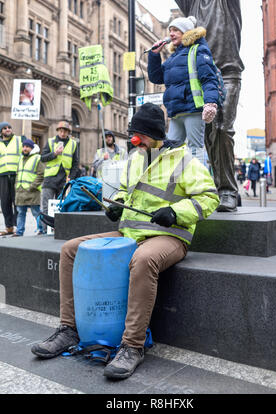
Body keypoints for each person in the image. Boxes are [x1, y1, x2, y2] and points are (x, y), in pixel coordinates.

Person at [31, 103, 220, 380]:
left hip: (169, 237)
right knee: (71, 250)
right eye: (132, 134)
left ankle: (133, 345)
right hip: (129, 233)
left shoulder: (184, 160)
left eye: (139, 134)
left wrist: (175, 212)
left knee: (143, 260)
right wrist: (117, 205)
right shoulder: (134, 158)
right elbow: (122, 191)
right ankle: (69, 329)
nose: (134, 140)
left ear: (155, 133)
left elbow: (209, 197)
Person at [161, 0, 244, 211]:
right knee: (206, 135)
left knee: (221, 128)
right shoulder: (192, 3)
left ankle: (228, 190)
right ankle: (212, 187)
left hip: (227, 73)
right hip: (201, 79)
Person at [147, 15, 219, 164]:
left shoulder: (198, 50)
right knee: (170, 152)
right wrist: (154, 55)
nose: (171, 34)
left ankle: (200, 186)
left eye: (176, 30)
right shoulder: (173, 58)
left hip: (193, 109)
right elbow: (156, 78)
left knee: (195, 150)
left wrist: (210, 103)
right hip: (176, 112)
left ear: (186, 32)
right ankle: (174, 185)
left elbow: (209, 79)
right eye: (170, 30)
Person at [40, 121, 79, 231]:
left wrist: (71, 176)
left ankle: (58, 229)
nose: (62, 133)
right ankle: (43, 229)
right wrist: (54, 154)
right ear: (58, 131)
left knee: (61, 205)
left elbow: (75, 163)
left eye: (65, 131)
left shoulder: (73, 144)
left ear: (68, 132)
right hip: (50, 178)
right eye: (61, 131)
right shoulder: (50, 141)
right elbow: (42, 158)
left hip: (64, 179)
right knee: (46, 205)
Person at [13, 139, 44, 237]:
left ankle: (41, 230)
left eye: (27, 147)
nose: (25, 148)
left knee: (36, 212)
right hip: (20, 191)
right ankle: (19, 232)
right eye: (24, 146)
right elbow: (18, 173)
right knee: (20, 213)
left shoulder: (37, 158)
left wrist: (33, 186)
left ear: (32, 148)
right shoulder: (20, 158)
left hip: (32, 191)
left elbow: (41, 174)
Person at [0, 122, 23, 236]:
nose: (8, 129)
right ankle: (9, 227)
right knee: (5, 202)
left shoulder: (19, 140)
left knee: (17, 201)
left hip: (16, 175)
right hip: (2, 176)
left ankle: (19, 227)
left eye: (9, 127)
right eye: (4, 128)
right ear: (1, 131)